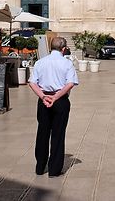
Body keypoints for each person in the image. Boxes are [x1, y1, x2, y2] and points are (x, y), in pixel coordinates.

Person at [28, 36, 79, 177]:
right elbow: (70, 83)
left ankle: (40, 167)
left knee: (42, 132)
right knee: (58, 134)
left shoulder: (40, 62)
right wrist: (56, 97)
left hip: (43, 100)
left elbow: (32, 82)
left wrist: (43, 96)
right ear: (63, 49)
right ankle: (54, 169)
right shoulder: (67, 63)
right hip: (60, 100)